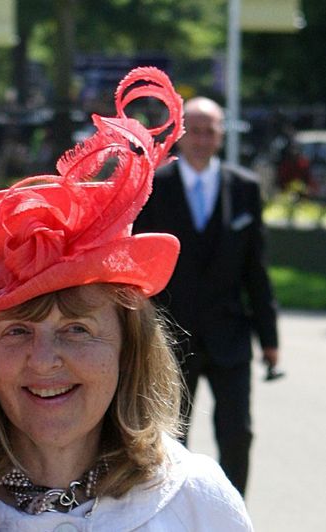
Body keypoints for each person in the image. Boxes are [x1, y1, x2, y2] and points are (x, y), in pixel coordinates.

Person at [0, 68, 253, 530]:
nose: (44, 360)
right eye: (18, 330)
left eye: (77, 329)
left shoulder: (197, 502)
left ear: (130, 350)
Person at [133, 96, 279, 495]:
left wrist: (270, 341)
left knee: (238, 434)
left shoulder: (244, 188)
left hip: (230, 336)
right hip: (171, 337)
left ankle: (232, 512)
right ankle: (174, 511)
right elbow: (138, 263)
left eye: (209, 131)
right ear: (181, 136)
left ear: (220, 136)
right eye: (194, 130)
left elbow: (256, 269)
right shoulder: (155, 187)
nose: (201, 139)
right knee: (169, 437)